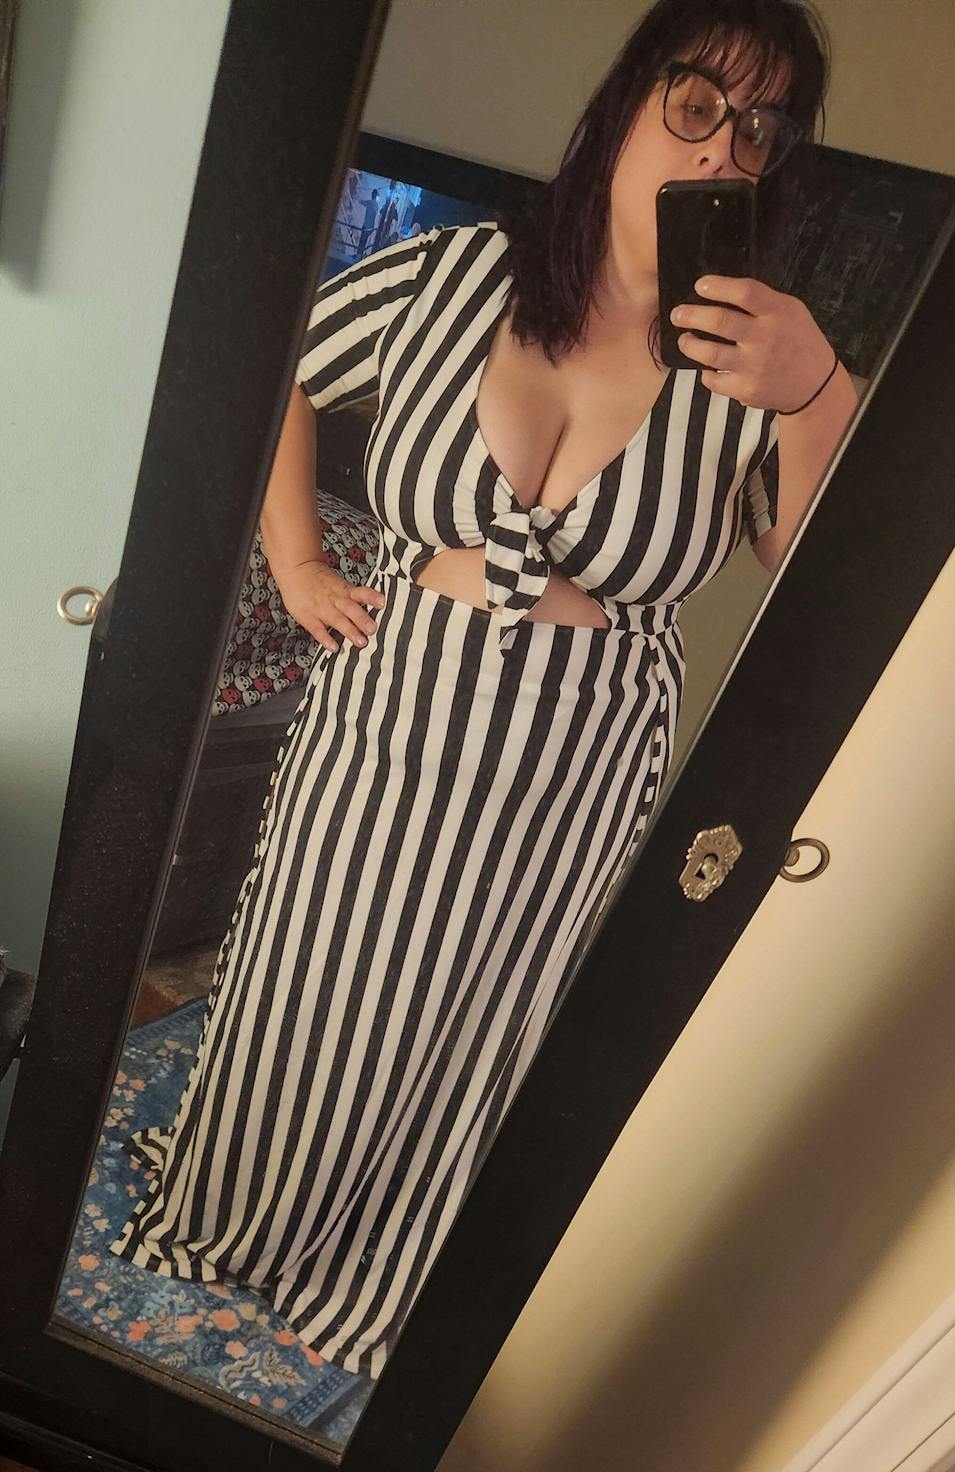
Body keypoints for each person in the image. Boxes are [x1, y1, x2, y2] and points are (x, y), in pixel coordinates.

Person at [110, 0, 857, 1381]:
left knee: (469, 1019)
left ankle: (378, 1268)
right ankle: (244, 1205)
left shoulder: (764, 359)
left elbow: (822, 579)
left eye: (762, 130)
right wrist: (296, 559)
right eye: (700, 102)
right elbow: (275, 369)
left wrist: (819, 397)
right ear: (630, 101)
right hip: (389, 708)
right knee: (312, 972)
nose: (722, 150)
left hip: (577, 757)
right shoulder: (456, 274)